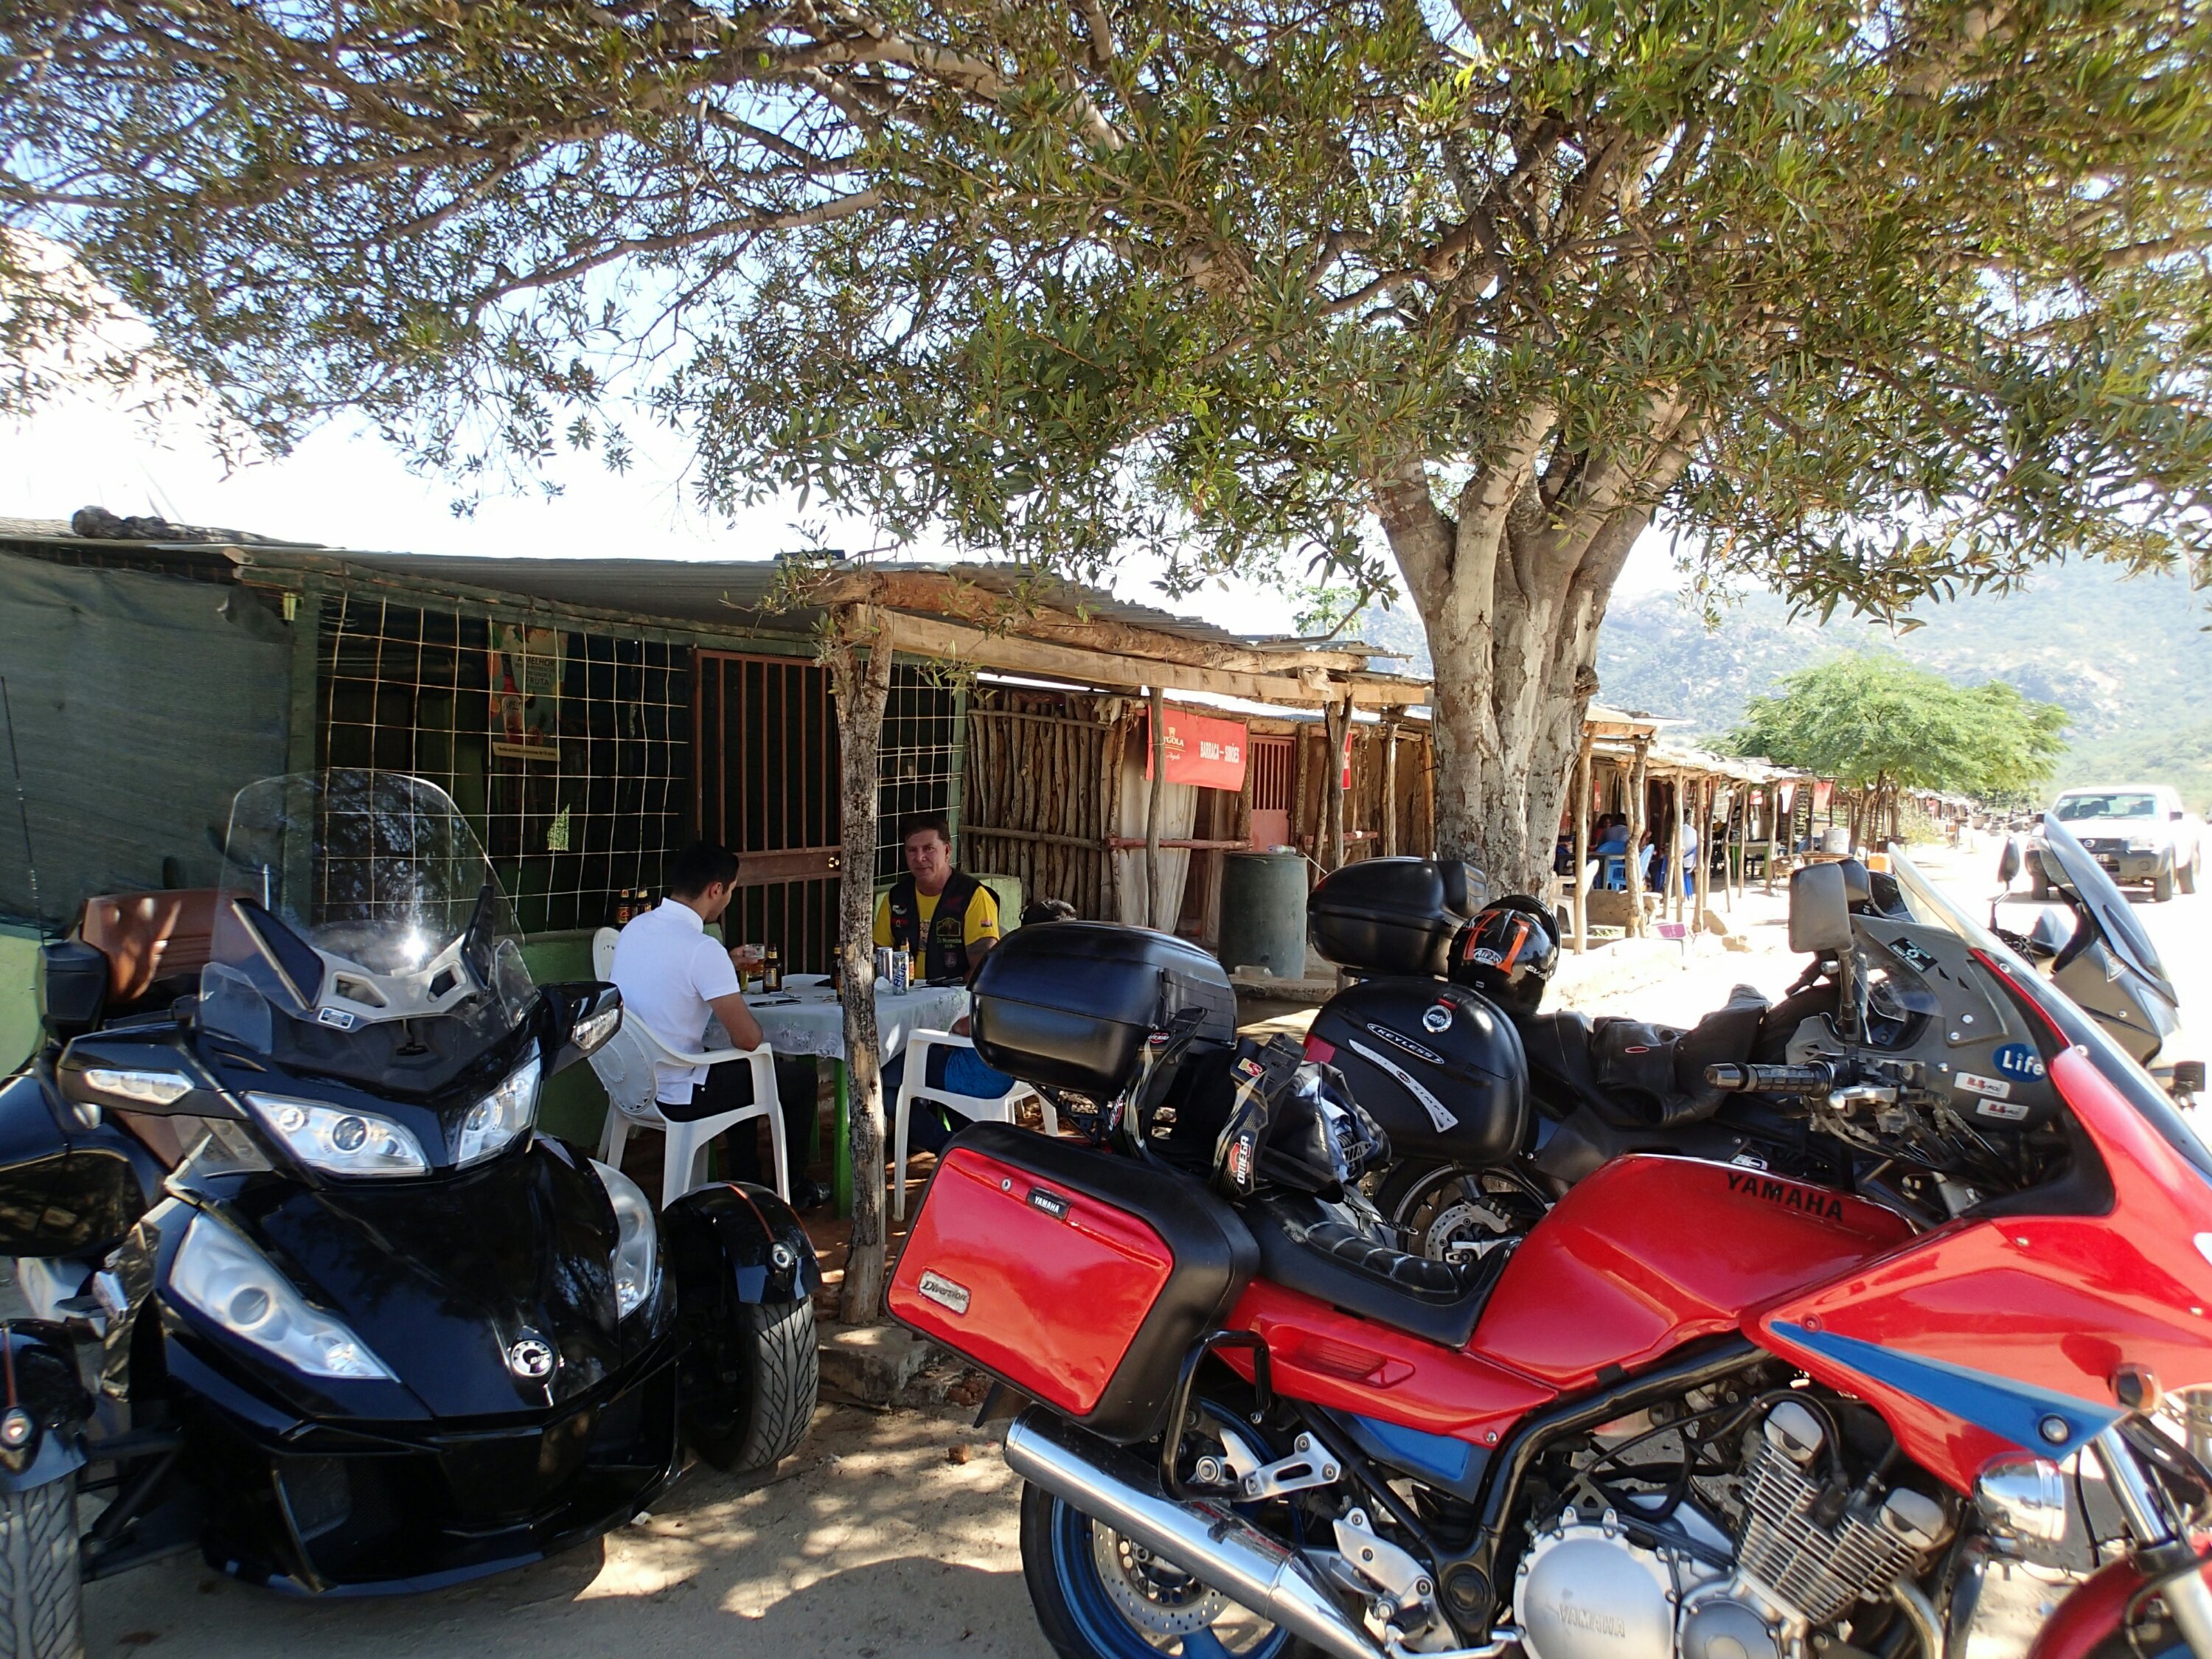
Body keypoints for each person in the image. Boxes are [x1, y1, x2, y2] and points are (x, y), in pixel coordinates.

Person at [609, 840, 827, 1209]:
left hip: (630, 1084)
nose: (728, 899)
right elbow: (748, 1038)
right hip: (679, 1092)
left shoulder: (636, 928)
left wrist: (723, 965)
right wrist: (721, 969)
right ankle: (793, 1188)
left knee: (742, 1074)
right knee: (794, 1079)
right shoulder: (701, 948)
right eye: (730, 891)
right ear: (715, 890)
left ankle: (747, 1180)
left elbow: (670, 974)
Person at [883, 897, 1074, 1161]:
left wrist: (955, 1031)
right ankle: (969, 1141)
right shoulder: (1069, 976)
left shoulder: (1011, 969)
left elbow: (971, 1026)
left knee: (882, 1078)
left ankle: (946, 1146)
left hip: (986, 1071)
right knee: (934, 1060)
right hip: (1028, 1073)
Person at [874, 810, 1001, 981]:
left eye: (929, 848)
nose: (920, 858)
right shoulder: (896, 897)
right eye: (912, 850)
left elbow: (983, 969)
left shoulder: (974, 896)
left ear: (947, 851)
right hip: (902, 992)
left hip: (954, 993)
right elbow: (879, 956)